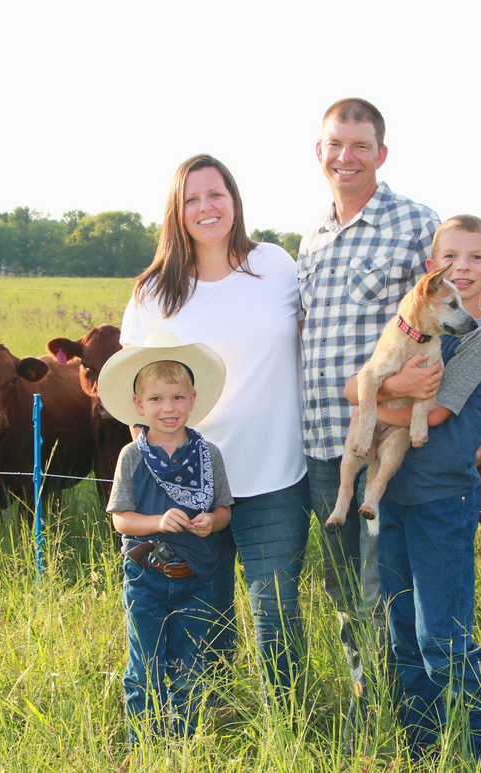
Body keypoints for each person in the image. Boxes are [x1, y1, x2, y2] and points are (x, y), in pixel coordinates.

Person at [120, 154, 310, 706]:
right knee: (202, 612)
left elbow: (320, 337)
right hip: (187, 483)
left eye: (216, 194)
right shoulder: (153, 292)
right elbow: (132, 388)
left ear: (235, 201)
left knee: (274, 609)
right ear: (176, 213)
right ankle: (208, 724)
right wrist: (149, 456)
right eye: (192, 198)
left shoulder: (274, 265)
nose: (206, 207)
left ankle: (287, 726)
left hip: (274, 473)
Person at [297, 97, 442, 741]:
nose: (346, 157)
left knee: (388, 585)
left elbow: (453, 321)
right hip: (325, 443)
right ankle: (368, 709)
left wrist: (427, 399)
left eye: (360, 146)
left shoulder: (416, 224)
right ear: (319, 152)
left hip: (389, 437)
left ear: (381, 154)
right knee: (343, 591)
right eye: (335, 145)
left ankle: (406, 722)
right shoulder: (312, 237)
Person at [346, 215, 481, 765]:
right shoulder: (419, 327)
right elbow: (354, 381)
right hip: (392, 497)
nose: (462, 268)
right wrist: (381, 387)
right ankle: (425, 748)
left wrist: (373, 397)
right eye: (450, 258)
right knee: (403, 634)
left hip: (444, 500)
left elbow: (433, 411)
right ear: (431, 271)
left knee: (443, 636)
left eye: (475, 258)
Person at [98, 334, 234, 745]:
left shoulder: (208, 454)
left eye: (176, 398)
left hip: (196, 578)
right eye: (156, 399)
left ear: (192, 400)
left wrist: (212, 520)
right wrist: (158, 521)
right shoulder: (133, 456)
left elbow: (225, 509)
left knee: (189, 666)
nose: (168, 408)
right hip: (147, 577)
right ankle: (143, 748)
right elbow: (121, 520)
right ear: (139, 406)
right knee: (144, 664)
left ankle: (183, 747)